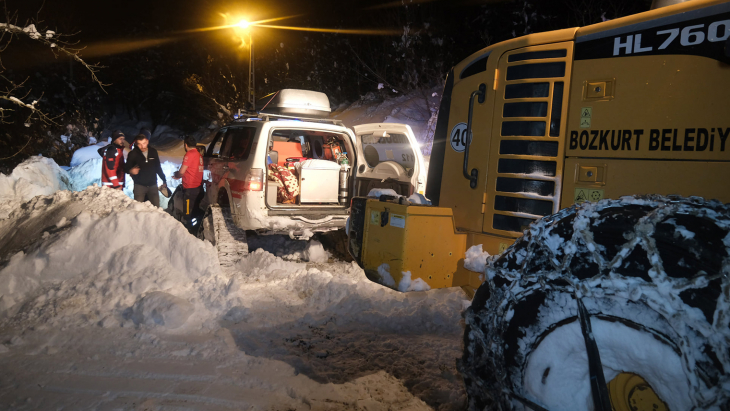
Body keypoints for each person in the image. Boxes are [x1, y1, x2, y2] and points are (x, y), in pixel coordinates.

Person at [125, 133, 167, 207]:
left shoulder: (153, 152)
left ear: (147, 141)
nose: (142, 146)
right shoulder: (133, 154)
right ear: (136, 144)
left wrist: (164, 180)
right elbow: (126, 167)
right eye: (139, 144)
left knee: (156, 209)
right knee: (139, 209)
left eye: (144, 143)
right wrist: (130, 170)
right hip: (139, 186)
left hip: (153, 185)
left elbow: (158, 167)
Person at [173, 135, 204, 230]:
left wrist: (177, 175)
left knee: (187, 213)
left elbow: (182, 171)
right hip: (198, 187)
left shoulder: (189, 154)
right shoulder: (199, 155)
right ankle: (195, 228)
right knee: (195, 210)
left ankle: (188, 232)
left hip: (190, 189)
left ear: (185, 145)